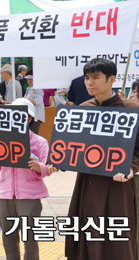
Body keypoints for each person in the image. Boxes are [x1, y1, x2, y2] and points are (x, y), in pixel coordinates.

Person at [60, 58, 138, 260]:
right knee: (85, 233)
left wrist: (132, 167)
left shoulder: (130, 109)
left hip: (117, 184)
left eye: (95, 77)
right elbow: (70, 146)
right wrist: (58, 160)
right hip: (87, 181)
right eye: (87, 78)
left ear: (112, 79)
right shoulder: (83, 108)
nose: (89, 82)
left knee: (116, 238)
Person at [0, 98, 51, 260]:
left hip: (30, 197)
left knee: (30, 239)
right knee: (8, 237)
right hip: (5, 196)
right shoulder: (2, 141)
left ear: (29, 118)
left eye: (18, 115)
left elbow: (48, 168)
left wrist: (36, 165)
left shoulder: (39, 142)